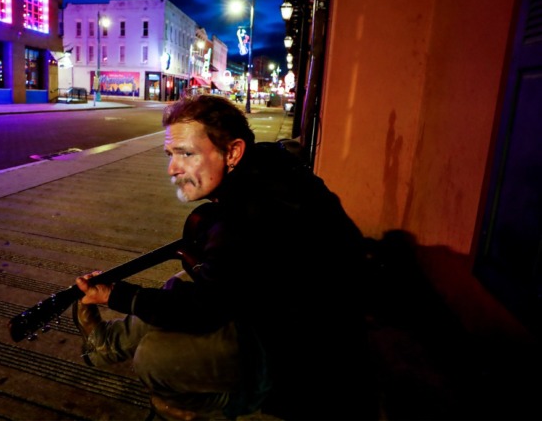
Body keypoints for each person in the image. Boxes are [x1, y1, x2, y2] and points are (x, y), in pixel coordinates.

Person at [73, 94, 376, 420]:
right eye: (170, 154)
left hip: (304, 352)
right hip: (297, 308)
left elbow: (202, 309)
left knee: (155, 356)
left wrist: (114, 294)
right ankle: (107, 344)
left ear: (232, 152)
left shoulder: (249, 216)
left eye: (186, 154)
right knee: (181, 283)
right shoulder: (268, 164)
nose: (172, 169)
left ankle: (230, 405)